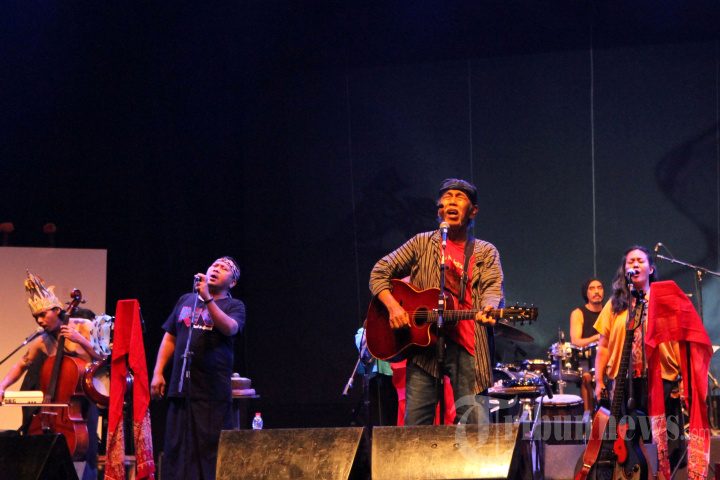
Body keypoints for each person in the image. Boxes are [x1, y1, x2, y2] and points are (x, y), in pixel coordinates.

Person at [369, 178, 504, 425]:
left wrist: (490, 308)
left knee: (476, 428)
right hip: (424, 347)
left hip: (468, 347)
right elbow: (379, 272)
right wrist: (393, 307)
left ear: (473, 211)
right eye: (447, 197)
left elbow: (493, 290)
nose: (452, 201)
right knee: (415, 429)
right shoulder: (421, 243)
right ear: (440, 208)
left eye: (460, 197)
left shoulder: (485, 251)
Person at [0, 272, 103, 480]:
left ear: (57, 310)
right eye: (35, 317)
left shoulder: (83, 327)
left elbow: (102, 358)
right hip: (58, 405)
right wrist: (2, 386)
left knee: (87, 451)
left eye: (43, 315)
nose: (39, 321)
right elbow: (21, 365)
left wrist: (80, 340)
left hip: (84, 398)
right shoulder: (42, 341)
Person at [150, 257, 246, 480]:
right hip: (181, 389)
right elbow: (170, 336)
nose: (216, 269)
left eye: (224, 269)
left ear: (232, 283)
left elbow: (231, 328)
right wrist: (158, 372)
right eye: (214, 265)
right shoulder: (186, 300)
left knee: (208, 453)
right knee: (177, 452)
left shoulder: (234, 305)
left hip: (212, 392)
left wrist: (208, 299)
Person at [593, 246, 684, 466]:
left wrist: (683, 379)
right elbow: (603, 346)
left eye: (641, 261)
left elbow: (678, 342)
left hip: (660, 379)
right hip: (624, 382)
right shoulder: (614, 305)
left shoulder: (664, 301)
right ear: (624, 270)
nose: (635, 264)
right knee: (628, 440)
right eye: (630, 261)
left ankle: (659, 475)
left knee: (659, 439)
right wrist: (599, 381)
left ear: (651, 269)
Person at [569, 277, 603, 412]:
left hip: (607, 360)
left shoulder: (609, 311)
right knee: (586, 376)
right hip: (586, 363)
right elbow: (576, 342)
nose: (596, 291)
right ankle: (588, 417)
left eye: (599, 288)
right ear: (586, 293)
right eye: (592, 288)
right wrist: (596, 338)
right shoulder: (578, 313)